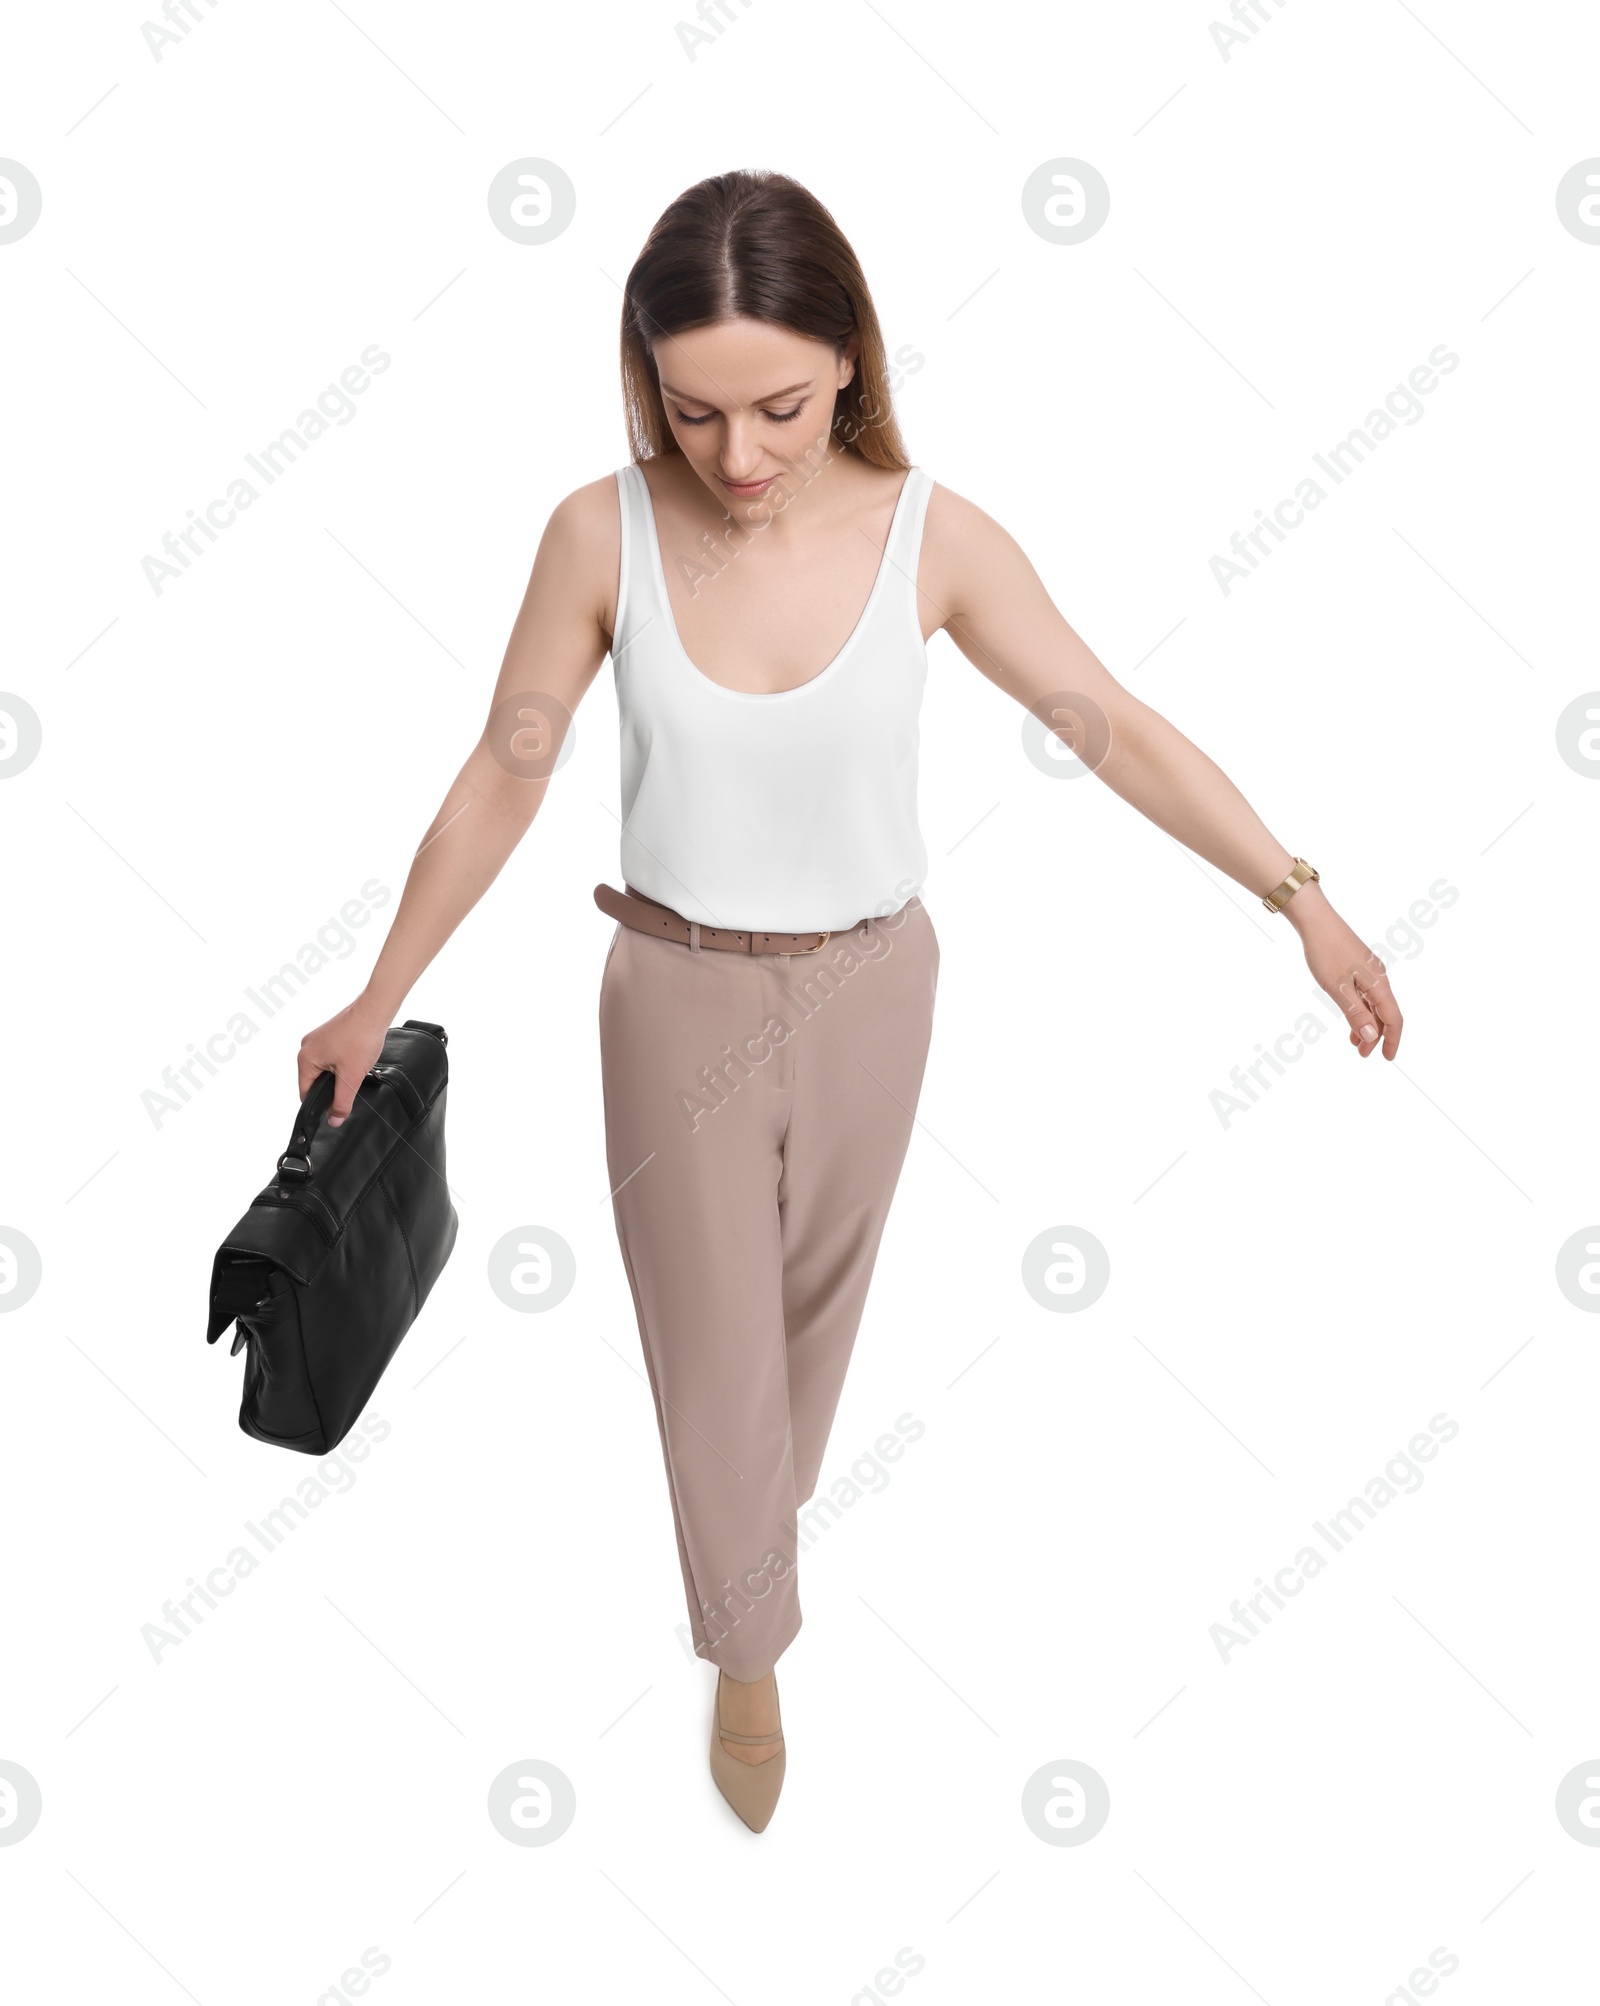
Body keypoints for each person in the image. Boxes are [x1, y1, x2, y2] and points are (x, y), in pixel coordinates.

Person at [296, 168, 1403, 1834]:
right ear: (645, 381)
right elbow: (504, 773)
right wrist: (379, 990)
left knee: (805, 1354)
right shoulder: (598, 533)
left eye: (784, 409)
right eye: (695, 411)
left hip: (882, 989)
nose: (739, 457)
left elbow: (1112, 717)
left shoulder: (933, 535)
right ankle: (749, 1657)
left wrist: (1296, 895)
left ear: (852, 364)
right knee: (717, 1355)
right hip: (673, 994)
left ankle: (754, 1551)